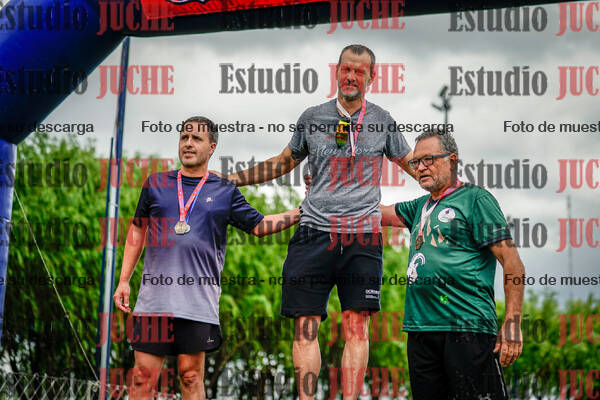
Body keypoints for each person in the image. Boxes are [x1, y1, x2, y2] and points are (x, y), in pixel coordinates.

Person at [223, 44, 415, 399]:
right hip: (313, 231)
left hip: (362, 235)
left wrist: (451, 189)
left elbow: (411, 163)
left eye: (359, 71)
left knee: (357, 327)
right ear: (337, 72)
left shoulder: (383, 120)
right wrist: (232, 180)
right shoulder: (312, 117)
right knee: (304, 327)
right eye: (345, 69)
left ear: (372, 77)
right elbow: (284, 162)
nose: (351, 77)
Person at [113, 116, 300, 400]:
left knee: (190, 376)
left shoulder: (224, 190)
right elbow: (137, 230)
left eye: (196, 138)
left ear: (212, 147)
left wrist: (301, 212)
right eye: (184, 137)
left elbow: (260, 225)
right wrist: (124, 280)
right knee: (141, 377)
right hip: (154, 301)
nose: (188, 143)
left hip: (197, 302)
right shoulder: (156, 183)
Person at [380, 129, 525, 400]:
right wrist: (324, 194)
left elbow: (512, 263)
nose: (420, 167)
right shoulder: (419, 207)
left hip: (467, 328)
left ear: (452, 160)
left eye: (429, 159)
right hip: (421, 330)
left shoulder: (475, 199)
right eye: (416, 162)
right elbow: (373, 213)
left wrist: (512, 322)